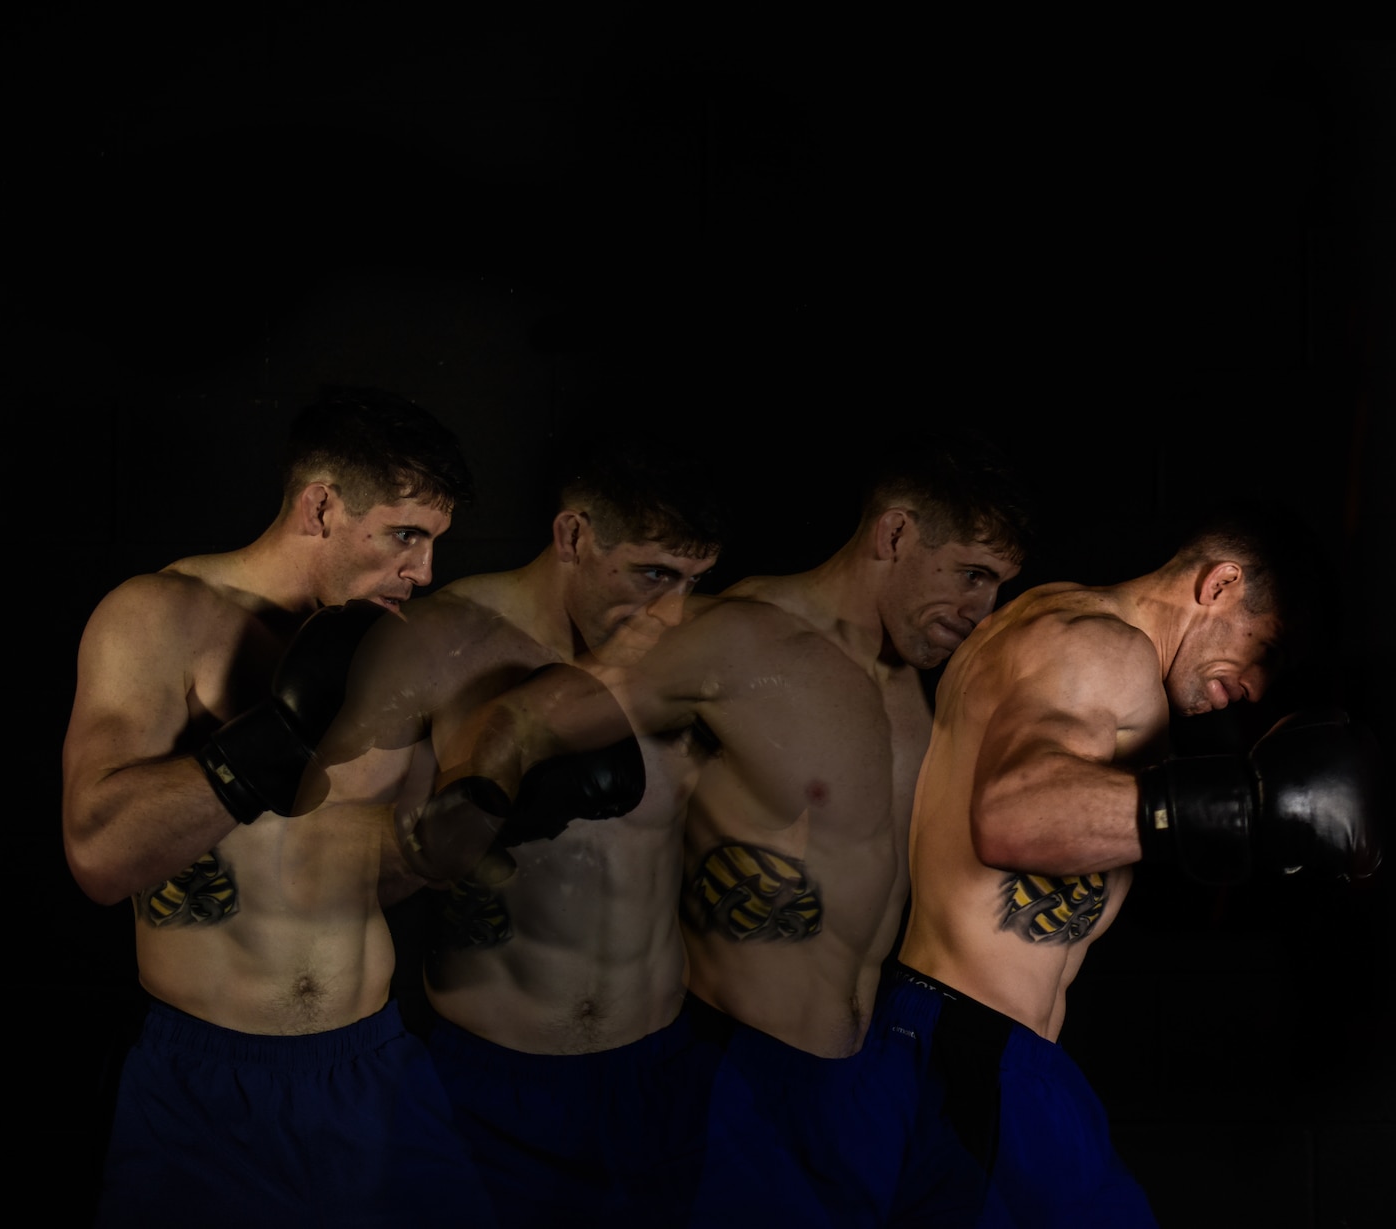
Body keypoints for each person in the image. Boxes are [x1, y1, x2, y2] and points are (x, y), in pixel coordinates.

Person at [416, 437, 1031, 1228]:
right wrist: (470, 813)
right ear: (896, 534)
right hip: (740, 1071)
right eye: (972, 575)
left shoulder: (919, 677)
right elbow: (524, 717)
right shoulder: (734, 635)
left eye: (999, 586)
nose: (982, 610)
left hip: (867, 1064)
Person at [60, 388, 491, 1226]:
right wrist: (275, 740)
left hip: (375, 1065)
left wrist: (471, 818)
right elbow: (98, 856)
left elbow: (390, 873)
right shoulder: (159, 616)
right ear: (322, 505)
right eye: (405, 534)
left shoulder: (396, 647)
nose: (425, 570)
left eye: (435, 542)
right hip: (206, 1086)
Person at [888, 504, 1381, 1226]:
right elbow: (1010, 816)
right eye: (1262, 649)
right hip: (974, 1052)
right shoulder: (1103, 650)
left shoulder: (1057, 626)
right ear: (1219, 585)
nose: (1256, 684)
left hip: (964, 1046)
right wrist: (1248, 809)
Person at [320, 440, 728, 1228]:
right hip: (488, 1078)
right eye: (651, 574)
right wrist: (480, 810)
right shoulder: (440, 641)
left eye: (692, 582)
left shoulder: (697, 659)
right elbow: (349, 866)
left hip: (658, 1069)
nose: (672, 609)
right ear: (574, 535)